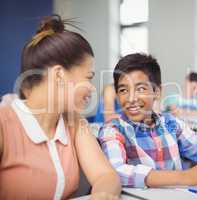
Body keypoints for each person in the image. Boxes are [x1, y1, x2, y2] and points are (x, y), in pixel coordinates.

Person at [0, 15, 121, 200]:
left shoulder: (74, 123)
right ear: (59, 75)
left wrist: (103, 194)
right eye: (88, 77)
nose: (92, 87)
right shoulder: (4, 124)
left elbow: (106, 176)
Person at [98, 53, 197, 188]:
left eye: (140, 89)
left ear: (157, 92)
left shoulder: (171, 123)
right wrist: (185, 177)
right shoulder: (112, 130)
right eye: (123, 90)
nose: (131, 99)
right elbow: (116, 172)